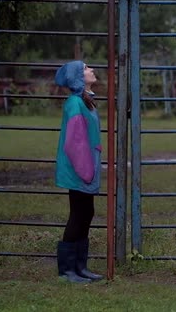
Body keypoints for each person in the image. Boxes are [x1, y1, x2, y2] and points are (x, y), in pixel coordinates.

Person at [54, 61, 103, 283]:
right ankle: (67, 271)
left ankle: (80, 267)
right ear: (77, 77)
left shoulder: (85, 100)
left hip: (86, 168)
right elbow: (75, 144)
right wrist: (86, 171)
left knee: (86, 214)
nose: (91, 70)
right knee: (77, 216)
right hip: (80, 170)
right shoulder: (75, 103)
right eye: (85, 68)